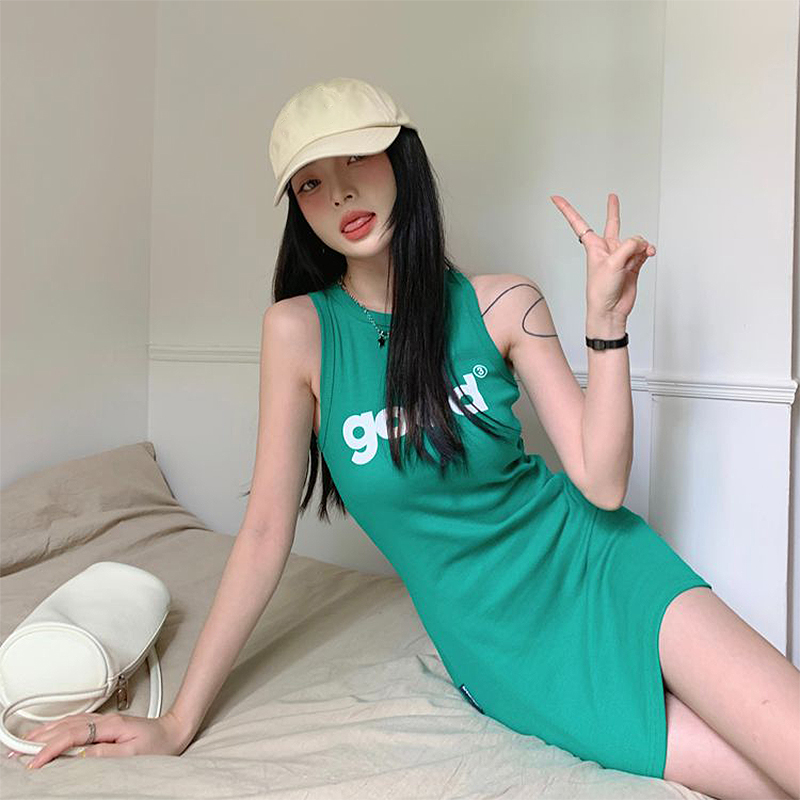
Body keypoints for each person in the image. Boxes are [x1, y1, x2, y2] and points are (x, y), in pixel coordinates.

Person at [16, 77, 799, 800]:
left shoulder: (503, 302)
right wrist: (179, 722)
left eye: (357, 158)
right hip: (502, 645)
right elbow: (263, 534)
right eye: (310, 182)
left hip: (601, 561)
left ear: (403, 160)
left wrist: (607, 327)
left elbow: (601, 483)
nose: (339, 192)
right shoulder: (298, 333)